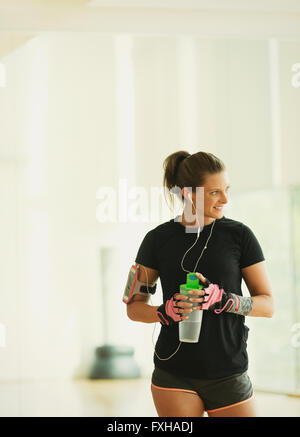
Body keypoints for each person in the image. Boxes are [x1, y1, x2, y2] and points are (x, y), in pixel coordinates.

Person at [125, 150, 274, 417]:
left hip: (228, 372)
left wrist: (227, 300)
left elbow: (268, 305)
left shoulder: (240, 236)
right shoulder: (156, 240)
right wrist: (163, 312)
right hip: (173, 374)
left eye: (226, 189)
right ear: (188, 193)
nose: (225, 199)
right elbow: (134, 307)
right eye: (215, 192)